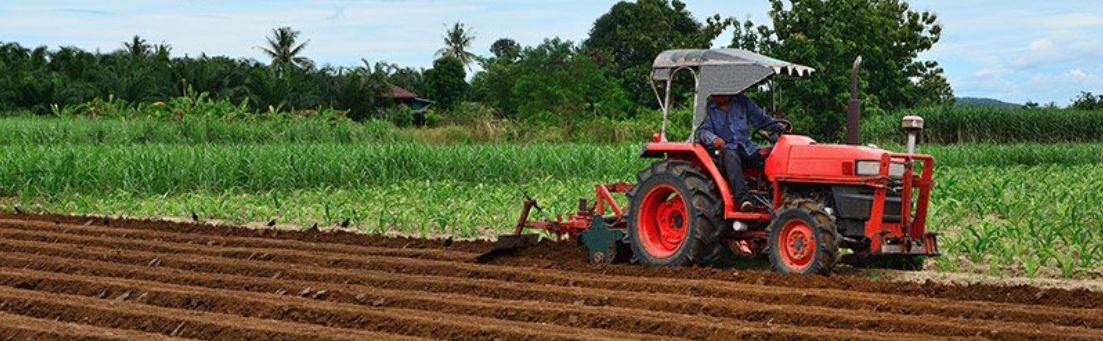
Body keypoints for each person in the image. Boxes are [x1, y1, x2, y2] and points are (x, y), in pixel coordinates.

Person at [698, 93, 787, 212]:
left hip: (746, 148)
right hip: (721, 152)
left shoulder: (743, 102)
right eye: (715, 94)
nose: (718, 97)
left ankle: (778, 196)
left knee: (772, 155)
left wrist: (780, 128)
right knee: (731, 155)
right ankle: (744, 200)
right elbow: (703, 130)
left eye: (721, 93)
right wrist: (714, 139)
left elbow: (762, 120)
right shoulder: (707, 108)